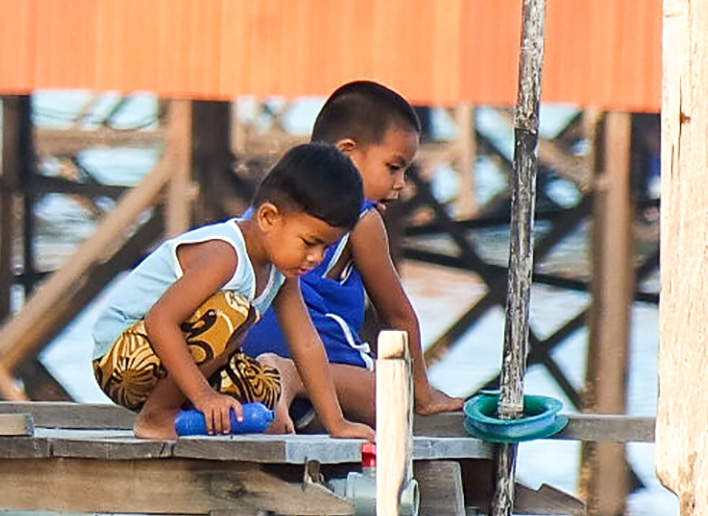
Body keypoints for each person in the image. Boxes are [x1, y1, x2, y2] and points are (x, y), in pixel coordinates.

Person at [91, 143, 375, 442]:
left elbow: (306, 343)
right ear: (268, 218)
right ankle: (157, 416)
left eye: (326, 248)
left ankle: (187, 416)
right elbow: (160, 321)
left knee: (265, 393)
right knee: (234, 313)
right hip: (122, 359)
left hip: (169, 362)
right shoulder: (225, 255)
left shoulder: (281, 272)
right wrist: (203, 396)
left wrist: (337, 423)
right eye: (309, 242)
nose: (316, 258)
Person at [241, 81, 463, 431]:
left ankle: (284, 381)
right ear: (347, 154)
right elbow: (398, 315)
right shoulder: (362, 218)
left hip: (241, 353)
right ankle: (293, 376)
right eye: (393, 167)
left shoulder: (272, 212)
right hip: (316, 360)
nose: (402, 183)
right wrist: (423, 393)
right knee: (395, 400)